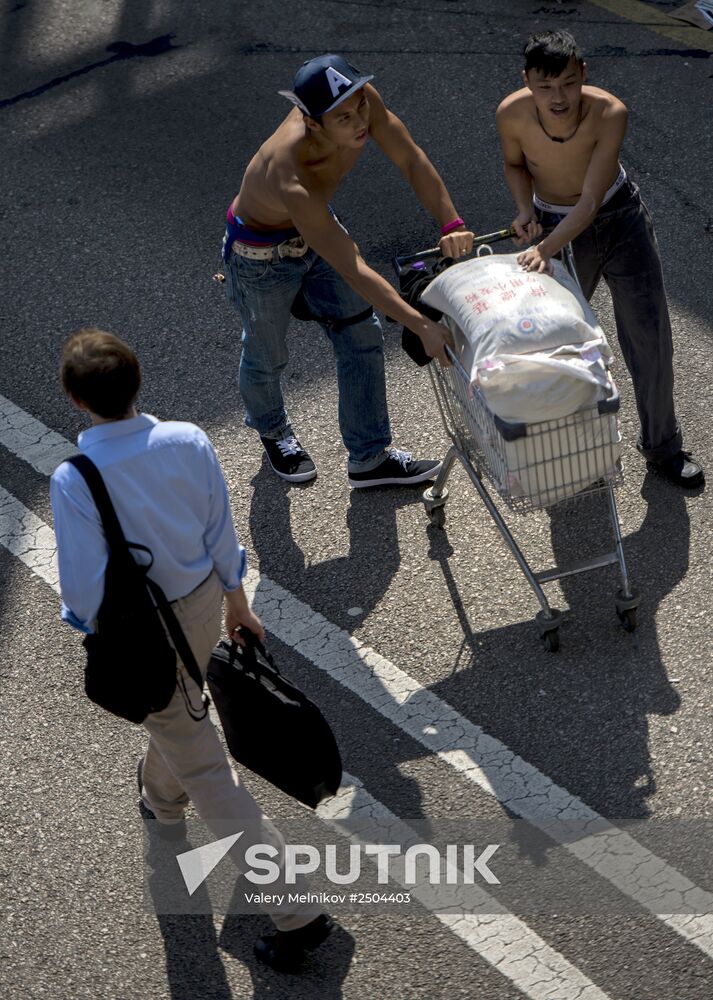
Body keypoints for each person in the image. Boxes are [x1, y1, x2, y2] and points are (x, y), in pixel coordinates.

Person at [50, 328, 334, 971]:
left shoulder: (76, 478)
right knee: (181, 717)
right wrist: (237, 600)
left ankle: (297, 908)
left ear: (75, 400)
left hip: (143, 630)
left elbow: (83, 584)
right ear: (138, 382)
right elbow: (218, 527)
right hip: (206, 603)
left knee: (205, 762)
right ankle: (160, 798)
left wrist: (91, 631)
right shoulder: (188, 438)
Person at [223, 53, 476, 486]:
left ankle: (369, 456)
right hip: (260, 256)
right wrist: (421, 326)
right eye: (344, 116)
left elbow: (411, 159)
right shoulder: (292, 175)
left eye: (360, 103)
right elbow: (356, 268)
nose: (361, 119)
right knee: (267, 356)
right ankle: (273, 430)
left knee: (361, 332)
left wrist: (452, 223)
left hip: (316, 226)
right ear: (313, 122)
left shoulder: (360, 102)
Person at [495, 29, 703, 489]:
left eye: (568, 83)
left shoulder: (610, 112)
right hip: (552, 220)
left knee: (650, 338)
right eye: (545, 86)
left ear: (583, 74)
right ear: (526, 80)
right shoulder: (511, 115)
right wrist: (526, 210)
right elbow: (515, 164)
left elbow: (589, 204)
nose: (559, 97)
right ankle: (576, 457)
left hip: (617, 215)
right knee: (561, 348)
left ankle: (663, 448)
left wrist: (541, 249)